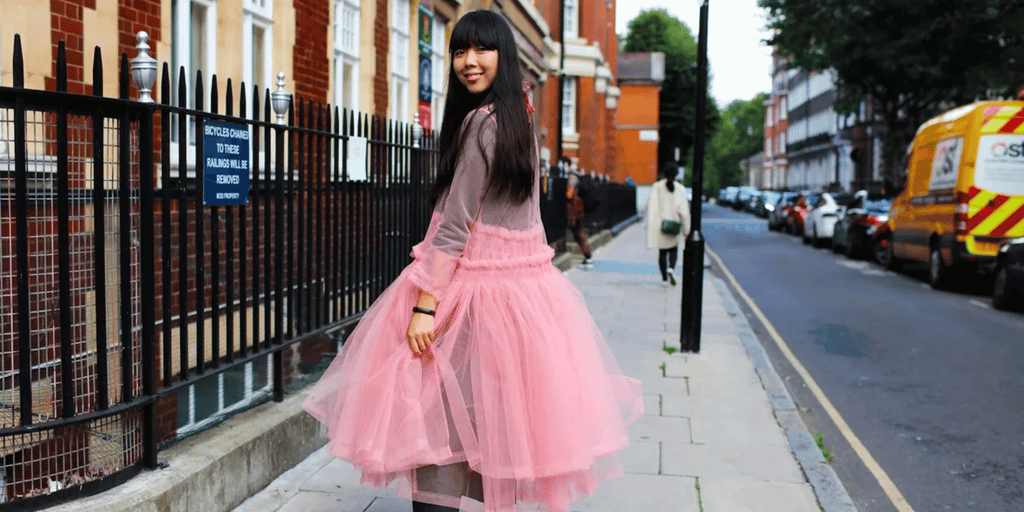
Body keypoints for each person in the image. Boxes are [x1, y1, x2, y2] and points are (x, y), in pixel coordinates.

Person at [303, 10, 642, 512]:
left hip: (474, 293)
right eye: (460, 50)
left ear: (503, 54)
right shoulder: (519, 119)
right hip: (524, 296)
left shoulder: (481, 122)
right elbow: (524, 217)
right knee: (489, 425)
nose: (468, 61)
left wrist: (424, 304)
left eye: (481, 49)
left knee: (436, 421)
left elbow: (454, 224)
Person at [646, 161, 691, 287]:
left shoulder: (657, 187)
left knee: (662, 252)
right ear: (677, 174)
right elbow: (685, 212)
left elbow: (652, 208)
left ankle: (664, 279)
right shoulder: (680, 189)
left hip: (662, 225)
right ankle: (671, 268)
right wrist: (687, 231)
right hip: (674, 225)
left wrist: (653, 226)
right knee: (673, 249)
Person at [566, 169, 594, 268]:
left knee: (579, 233)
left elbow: (569, 194)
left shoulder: (572, 178)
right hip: (580, 209)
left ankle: (588, 257)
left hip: (575, 210)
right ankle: (588, 257)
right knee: (580, 233)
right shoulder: (579, 178)